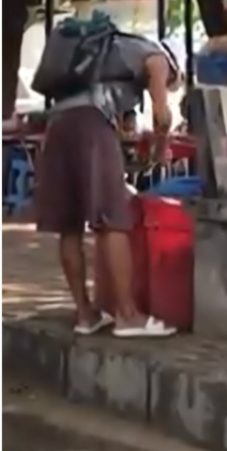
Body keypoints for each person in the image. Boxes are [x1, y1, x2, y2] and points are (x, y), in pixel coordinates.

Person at [34, 25, 181, 338]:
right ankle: (128, 316)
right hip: (90, 124)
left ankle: (85, 314)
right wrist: (160, 149)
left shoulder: (111, 52)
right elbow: (162, 116)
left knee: (69, 224)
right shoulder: (155, 57)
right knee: (113, 217)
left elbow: (123, 117)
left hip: (57, 126)